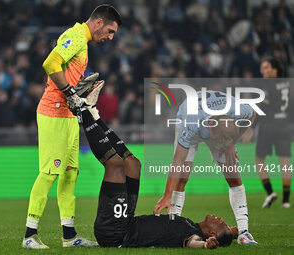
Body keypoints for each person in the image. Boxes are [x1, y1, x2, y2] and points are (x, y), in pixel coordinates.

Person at [66, 84, 238, 249]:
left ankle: (81, 109)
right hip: (128, 221)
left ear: (213, 233)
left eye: (222, 224)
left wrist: (205, 245)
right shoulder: (192, 225)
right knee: (133, 164)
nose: (222, 218)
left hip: (115, 234)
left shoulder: (193, 235)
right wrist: (237, 232)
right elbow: (229, 233)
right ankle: (94, 114)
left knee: (115, 166)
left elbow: (193, 243)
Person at [22, 4, 122, 249]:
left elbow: (65, 75)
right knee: (49, 172)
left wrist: (80, 92)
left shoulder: (82, 42)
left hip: (67, 114)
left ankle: (69, 236)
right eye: (109, 31)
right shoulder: (75, 36)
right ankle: (29, 235)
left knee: (69, 173)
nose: (110, 37)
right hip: (53, 112)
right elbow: (50, 63)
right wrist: (69, 91)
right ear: (98, 22)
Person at [153, 90, 258, 245]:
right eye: (219, 142)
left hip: (217, 123)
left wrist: (232, 143)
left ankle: (244, 233)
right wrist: (167, 194)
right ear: (210, 126)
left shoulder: (238, 110)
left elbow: (253, 114)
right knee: (182, 178)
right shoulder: (191, 123)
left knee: (233, 176)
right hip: (190, 121)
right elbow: (177, 161)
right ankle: (172, 228)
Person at [243, 58, 291, 209]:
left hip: (269, 126)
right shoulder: (288, 84)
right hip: (285, 125)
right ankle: (286, 201)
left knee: (259, 160)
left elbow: (261, 109)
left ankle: (270, 192)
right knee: (285, 163)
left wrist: (251, 129)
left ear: (275, 71)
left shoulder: (267, 85)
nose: (263, 71)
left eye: (266, 68)